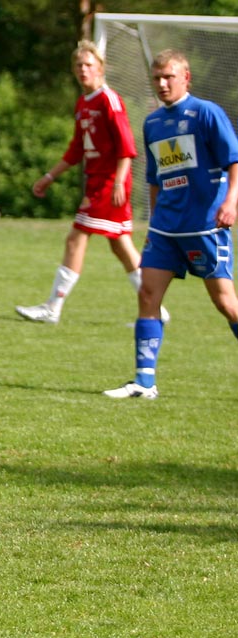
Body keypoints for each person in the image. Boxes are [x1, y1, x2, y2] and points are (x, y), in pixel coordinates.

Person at [104, 50, 238, 400]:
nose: (162, 84)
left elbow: (234, 160)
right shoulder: (152, 123)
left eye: (169, 77)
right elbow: (154, 178)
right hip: (166, 228)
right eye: (157, 78)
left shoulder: (207, 113)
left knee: (226, 304)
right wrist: (152, 218)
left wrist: (231, 201)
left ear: (186, 77)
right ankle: (144, 382)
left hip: (205, 226)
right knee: (147, 294)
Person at [16, 41, 167, 325]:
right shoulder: (83, 103)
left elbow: (127, 146)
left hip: (110, 184)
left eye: (88, 64)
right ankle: (157, 308)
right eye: (78, 65)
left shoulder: (108, 99)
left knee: (76, 238)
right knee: (121, 246)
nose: (83, 70)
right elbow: (77, 149)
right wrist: (49, 177)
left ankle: (53, 307)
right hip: (97, 182)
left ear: (100, 67)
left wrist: (120, 182)